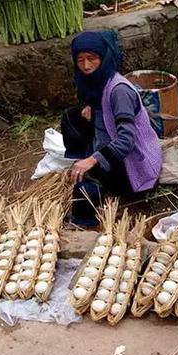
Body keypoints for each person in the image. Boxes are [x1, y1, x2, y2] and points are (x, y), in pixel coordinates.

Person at [63, 30, 162, 226]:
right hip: (113, 144)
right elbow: (102, 109)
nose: (86, 66)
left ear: (103, 57)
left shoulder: (119, 91)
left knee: (85, 183)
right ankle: (82, 160)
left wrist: (92, 160)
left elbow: (126, 141)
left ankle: (84, 223)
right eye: (80, 60)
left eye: (92, 59)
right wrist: (95, 110)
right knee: (70, 118)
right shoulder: (100, 81)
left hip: (135, 163)